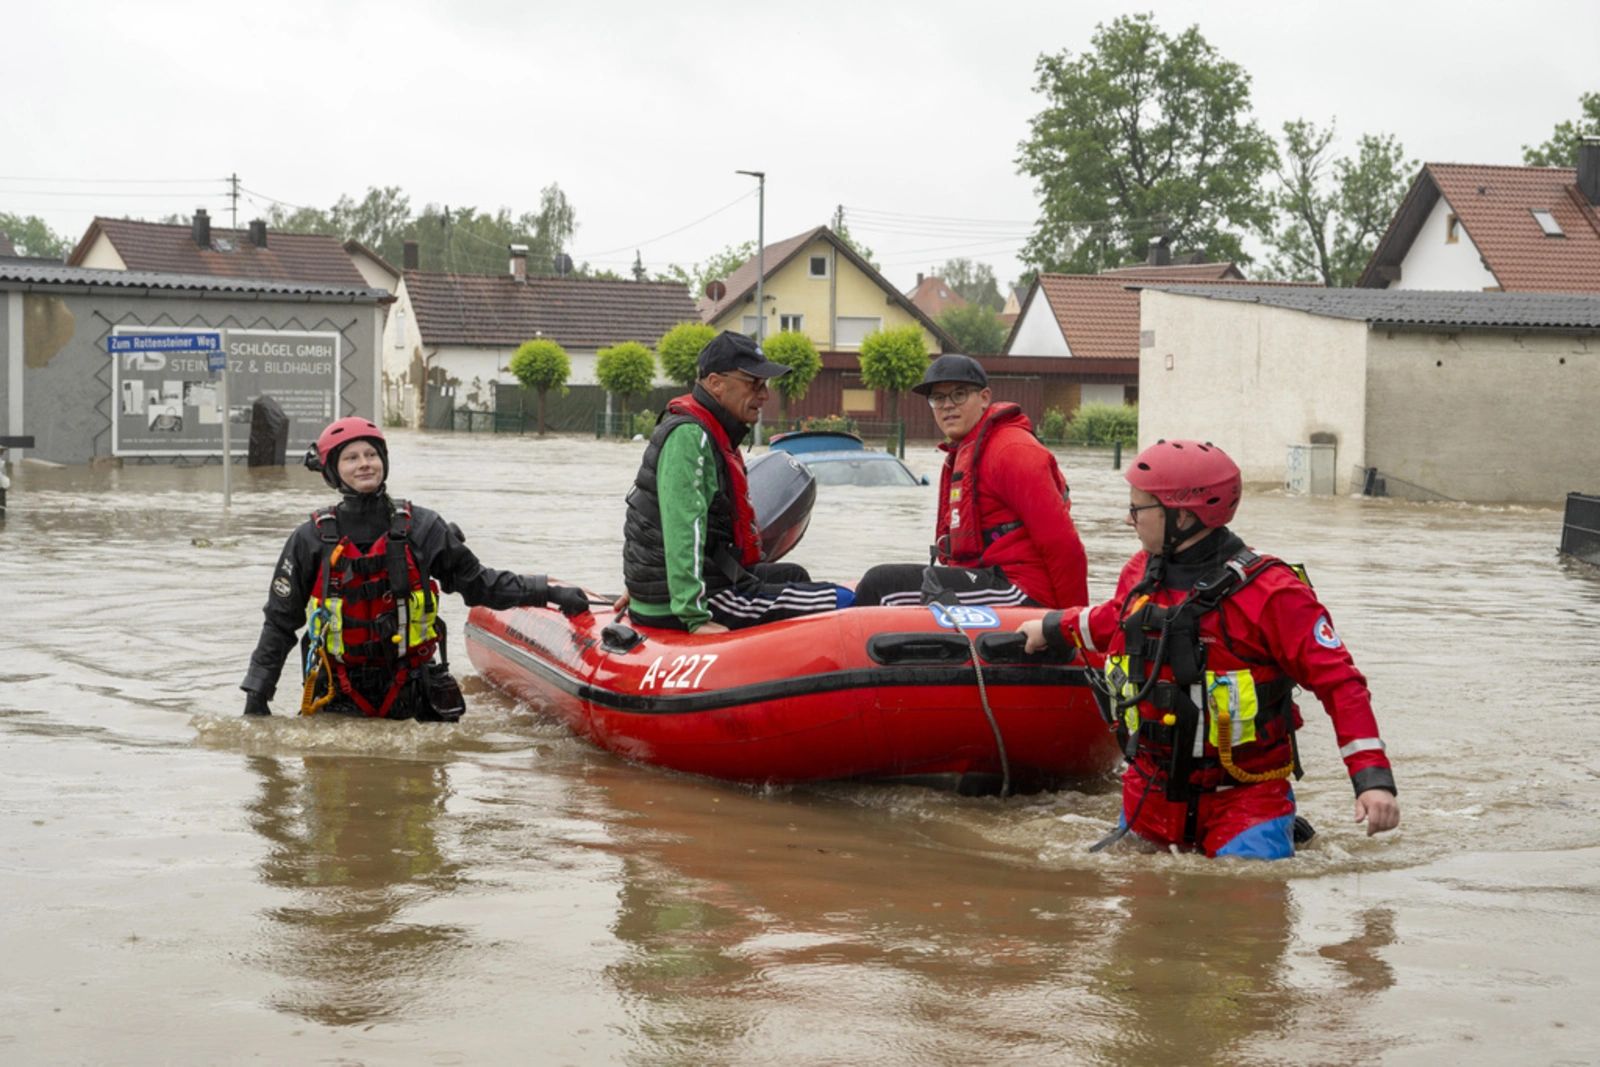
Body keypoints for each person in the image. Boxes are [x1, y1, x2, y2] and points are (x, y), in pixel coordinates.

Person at [1017, 439, 1400, 859]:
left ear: (1183, 515)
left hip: (1244, 800)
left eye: (1138, 508)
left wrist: (1372, 780)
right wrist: (1051, 627)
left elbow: (1340, 684)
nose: (1129, 520)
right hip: (1149, 794)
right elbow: (1113, 620)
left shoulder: (1274, 593)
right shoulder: (1140, 572)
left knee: (1243, 913)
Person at [241, 416, 589, 720]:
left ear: (384, 462)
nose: (365, 464)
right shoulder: (309, 539)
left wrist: (548, 592)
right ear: (333, 470)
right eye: (351, 458)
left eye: (371, 455)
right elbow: (279, 623)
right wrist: (257, 696)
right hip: (338, 692)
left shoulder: (423, 527)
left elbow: (479, 584)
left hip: (412, 688)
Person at [620, 331, 848, 633]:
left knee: (794, 575)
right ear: (716, 383)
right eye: (754, 384)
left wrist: (643, 586)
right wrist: (693, 614)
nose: (765, 394)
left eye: (765, 385)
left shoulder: (710, 430)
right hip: (694, 604)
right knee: (844, 600)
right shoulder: (691, 436)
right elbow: (683, 527)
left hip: (682, 590)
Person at [853, 353, 1087, 609]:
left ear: (984, 398)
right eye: (938, 398)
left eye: (959, 394)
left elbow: (1064, 546)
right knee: (877, 583)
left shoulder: (1012, 451)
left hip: (1022, 590)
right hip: (987, 578)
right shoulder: (964, 451)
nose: (947, 405)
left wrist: (1070, 627)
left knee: (883, 586)